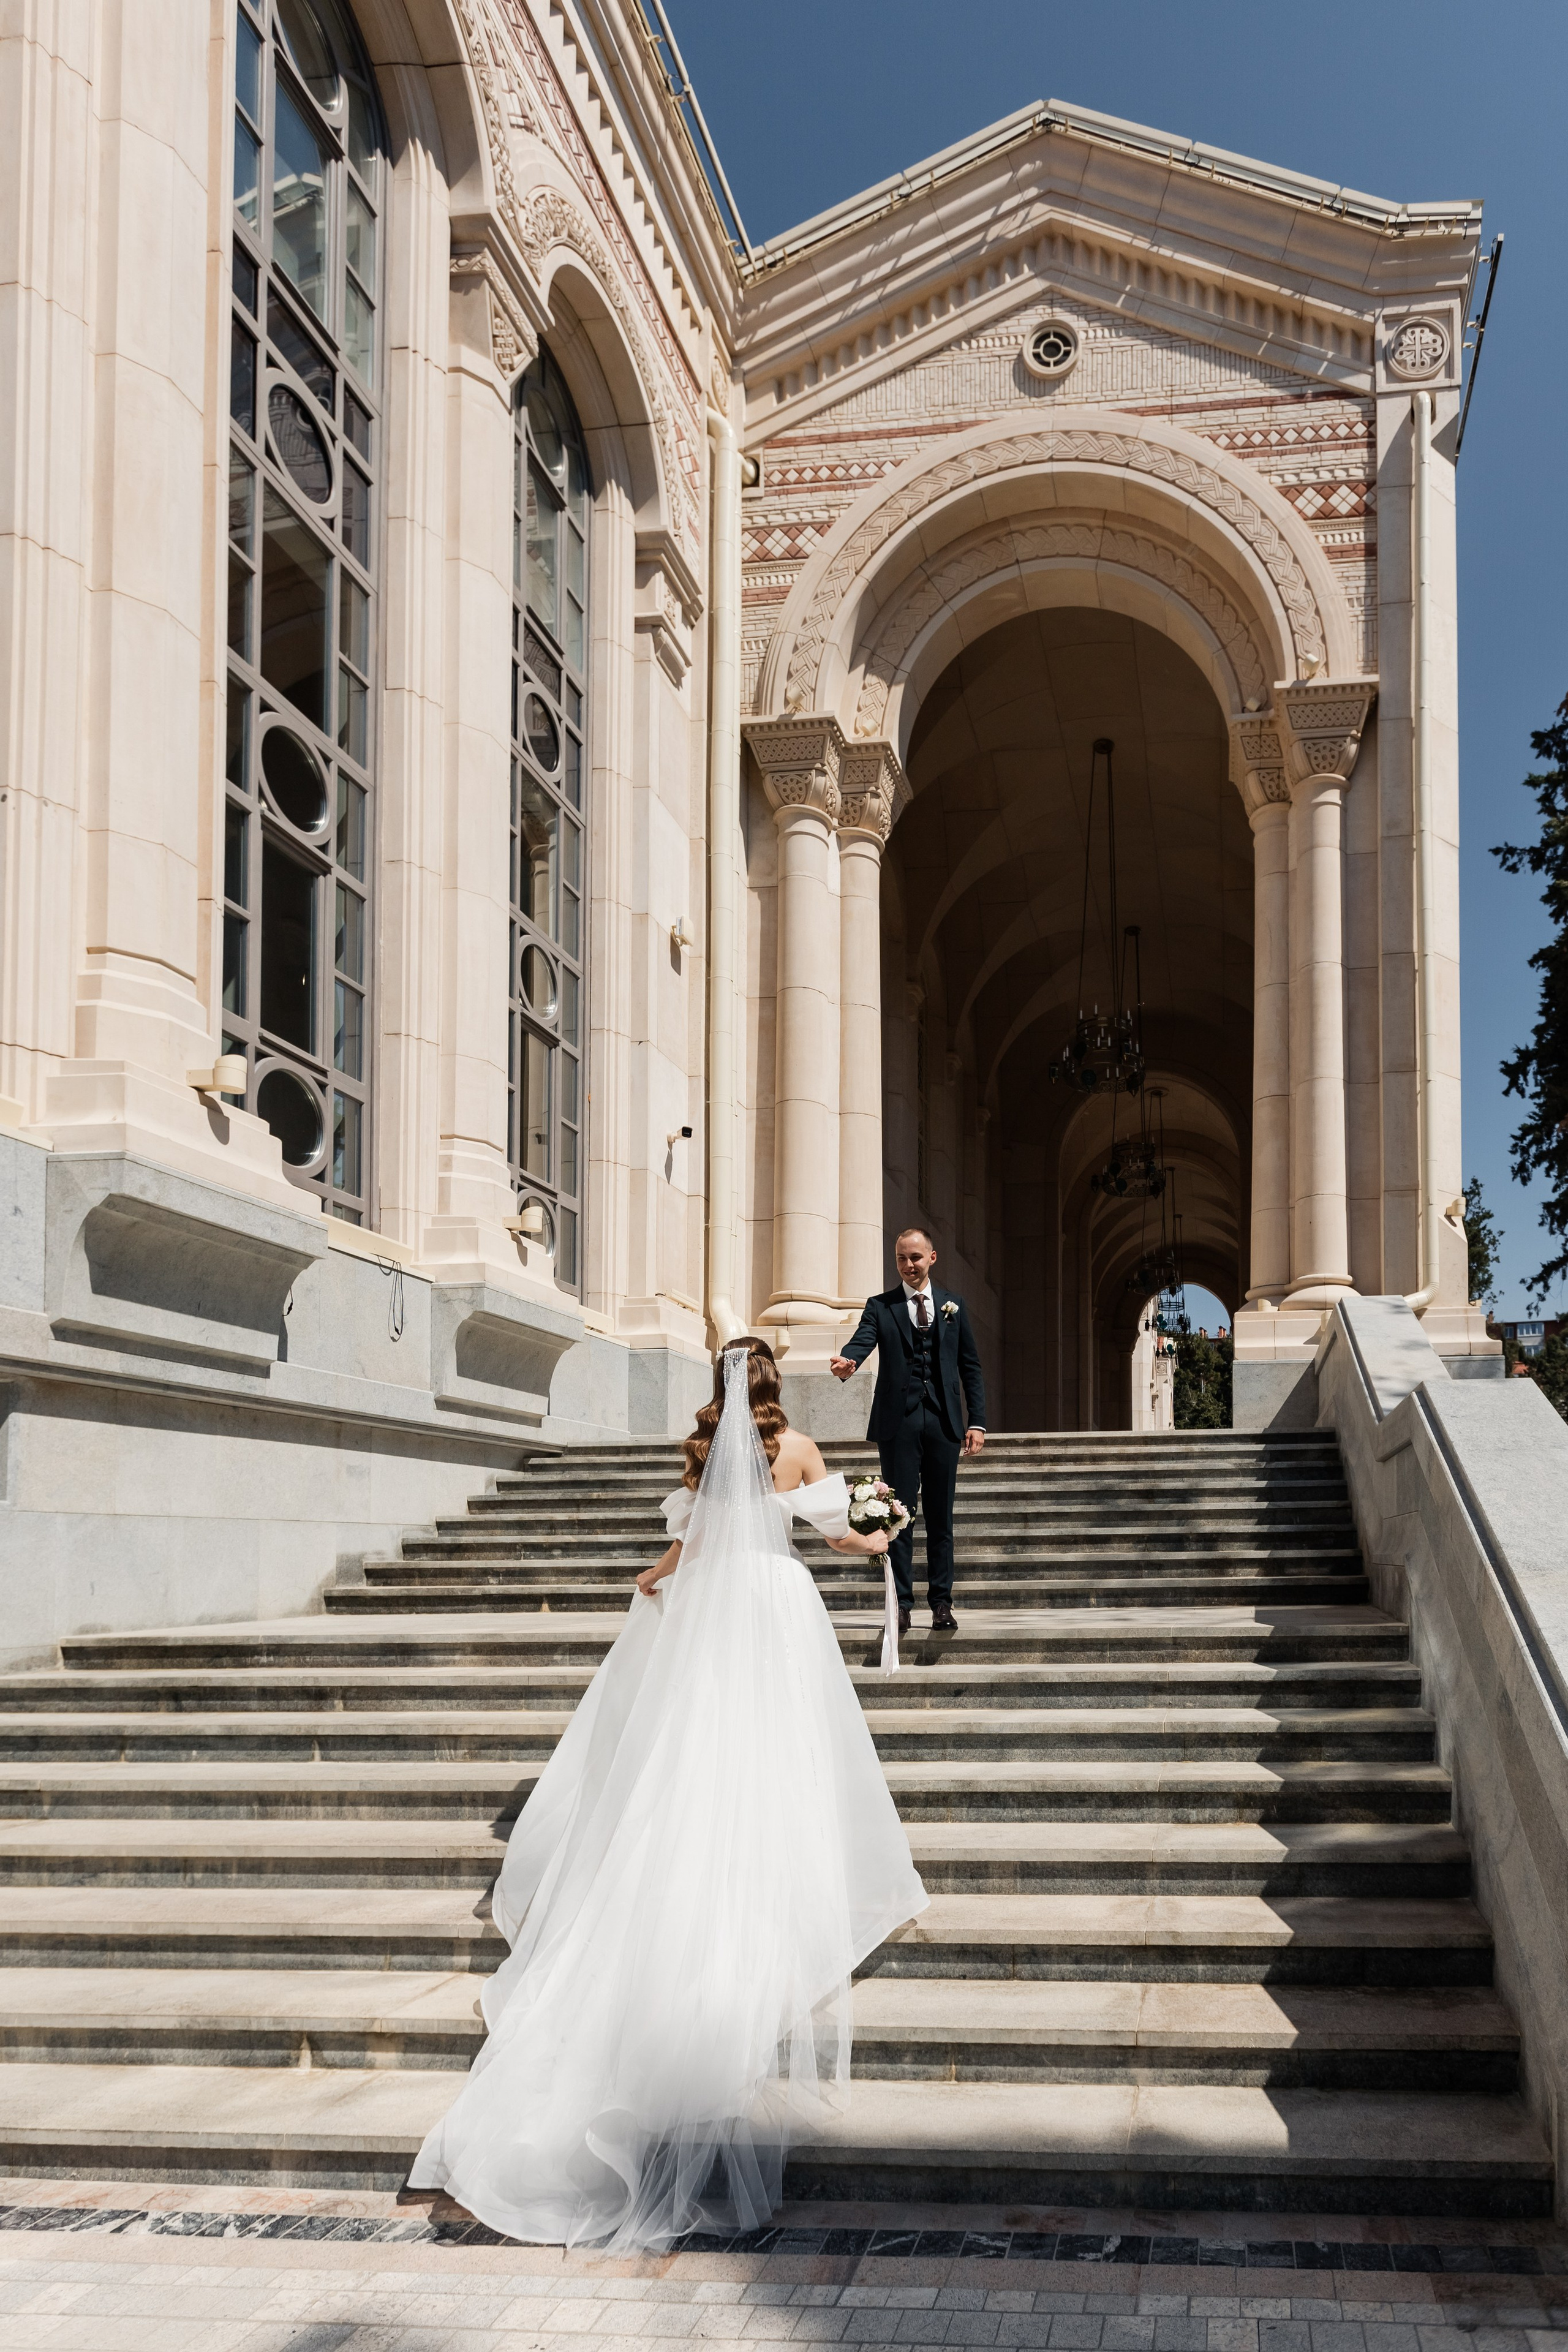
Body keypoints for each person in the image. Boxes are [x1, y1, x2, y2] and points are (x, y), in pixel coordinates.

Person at [408, 1336, 928, 2252]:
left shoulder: (704, 1449)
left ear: (719, 1385)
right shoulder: (798, 1447)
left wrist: (649, 1578)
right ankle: (781, 1867)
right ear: (775, 1383)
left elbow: (686, 1549)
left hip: (716, 1605)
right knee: (786, 1741)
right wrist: (883, 1532)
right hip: (775, 1605)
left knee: (701, 1736)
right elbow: (836, 1533)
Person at [830, 1225, 986, 1634]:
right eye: (901, 1258)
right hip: (898, 1423)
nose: (908, 1265)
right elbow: (863, 1339)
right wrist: (849, 1361)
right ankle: (900, 1605)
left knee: (940, 1516)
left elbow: (970, 1366)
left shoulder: (954, 1305)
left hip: (944, 1422)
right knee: (898, 1515)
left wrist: (977, 1421)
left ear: (931, 1258)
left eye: (915, 1257)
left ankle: (942, 1604)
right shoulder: (881, 1306)